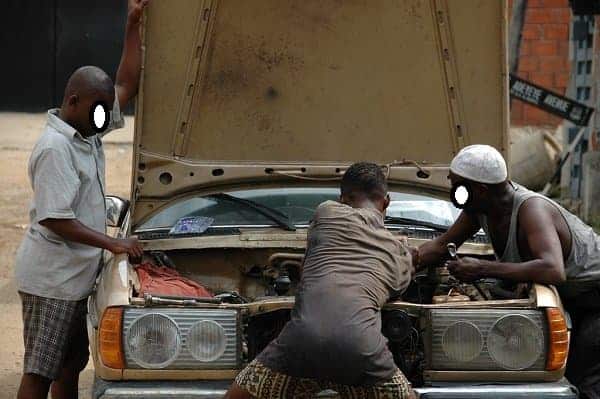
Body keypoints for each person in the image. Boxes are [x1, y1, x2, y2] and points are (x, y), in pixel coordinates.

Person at [14, 1, 149, 398]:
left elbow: (126, 83)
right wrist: (114, 242)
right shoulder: (56, 148)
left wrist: (132, 25)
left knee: (71, 364)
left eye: (106, 112)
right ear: (73, 101)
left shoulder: (88, 129)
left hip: (74, 279)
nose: (104, 119)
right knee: (41, 369)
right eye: (98, 110)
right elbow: (55, 219)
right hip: (52, 281)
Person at [413, 144, 600, 398]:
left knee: (583, 375)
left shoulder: (532, 210)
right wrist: (403, 263)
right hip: (575, 295)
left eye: (458, 186)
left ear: (480, 189)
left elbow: (553, 269)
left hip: (595, 297)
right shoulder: (479, 209)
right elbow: (441, 246)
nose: (454, 192)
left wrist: (483, 268)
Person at [225, 162, 416, 399]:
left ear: (342, 199)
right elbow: (396, 290)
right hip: (364, 355)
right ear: (386, 202)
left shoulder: (326, 212)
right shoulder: (399, 254)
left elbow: (307, 267)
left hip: (299, 346)